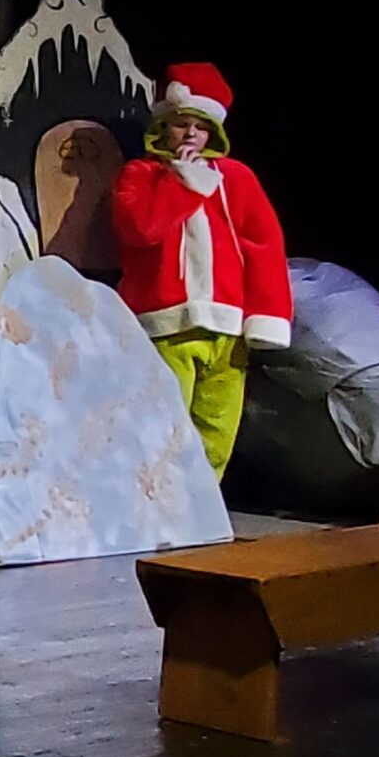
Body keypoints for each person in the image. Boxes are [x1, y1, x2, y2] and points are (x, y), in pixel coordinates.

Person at [109, 62, 290, 477]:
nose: (191, 134)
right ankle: (157, 505)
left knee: (216, 431)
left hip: (227, 330)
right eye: (181, 124)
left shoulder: (237, 178)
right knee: (162, 428)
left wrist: (266, 315)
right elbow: (141, 229)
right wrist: (182, 181)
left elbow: (264, 247)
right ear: (163, 127)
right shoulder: (140, 176)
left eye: (201, 126)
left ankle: (201, 506)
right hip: (166, 328)